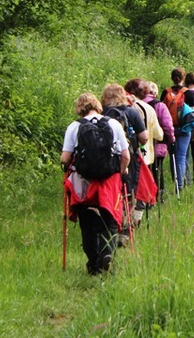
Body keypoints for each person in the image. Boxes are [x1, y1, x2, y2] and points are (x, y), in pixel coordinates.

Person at [61, 93, 130, 275]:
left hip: (83, 182)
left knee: (88, 222)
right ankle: (106, 253)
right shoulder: (114, 124)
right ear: (98, 106)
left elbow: (65, 158)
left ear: (79, 109)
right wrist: (121, 172)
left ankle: (93, 263)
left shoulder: (75, 127)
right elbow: (126, 156)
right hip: (109, 181)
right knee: (109, 220)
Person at [101, 83, 147, 239]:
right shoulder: (131, 112)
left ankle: (109, 227)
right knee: (128, 192)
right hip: (128, 158)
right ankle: (125, 232)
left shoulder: (101, 113)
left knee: (111, 192)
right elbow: (144, 137)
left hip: (106, 160)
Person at [160, 68, 192, 190]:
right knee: (182, 156)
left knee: (172, 155)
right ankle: (180, 184)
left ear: (171, 78)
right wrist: (193, 131)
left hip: (169, 129)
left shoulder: (165, 92)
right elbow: (192, 115)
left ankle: (176, 180)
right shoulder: (187, 93)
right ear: (183, 78)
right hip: (184, 129)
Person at [144, 82, 174, 202]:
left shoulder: (136, 105)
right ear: (155, 93)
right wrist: (171, 139)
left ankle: (146, 197)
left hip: (141, 146)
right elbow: (167, 125)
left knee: (146, 172)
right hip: (157, 144)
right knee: (157, 170)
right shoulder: (159, 106)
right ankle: (157, 196)